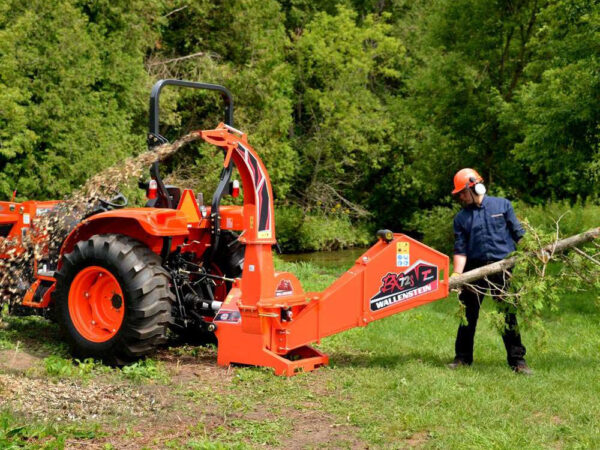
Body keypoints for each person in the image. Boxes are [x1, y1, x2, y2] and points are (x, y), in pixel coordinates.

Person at [448, 168, 532, 374]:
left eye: (462, 192)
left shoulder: (502, 205)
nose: (460, 197)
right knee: (468, 315)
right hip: (473, 272)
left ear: (475, 187)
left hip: (502, 269)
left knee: (507, 316)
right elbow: (460, 249)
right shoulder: (461, 218)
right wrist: (457, 276)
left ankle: (518, 362)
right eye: (458, 194)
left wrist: (534, 251)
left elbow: (518, 233)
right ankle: (462, 358)